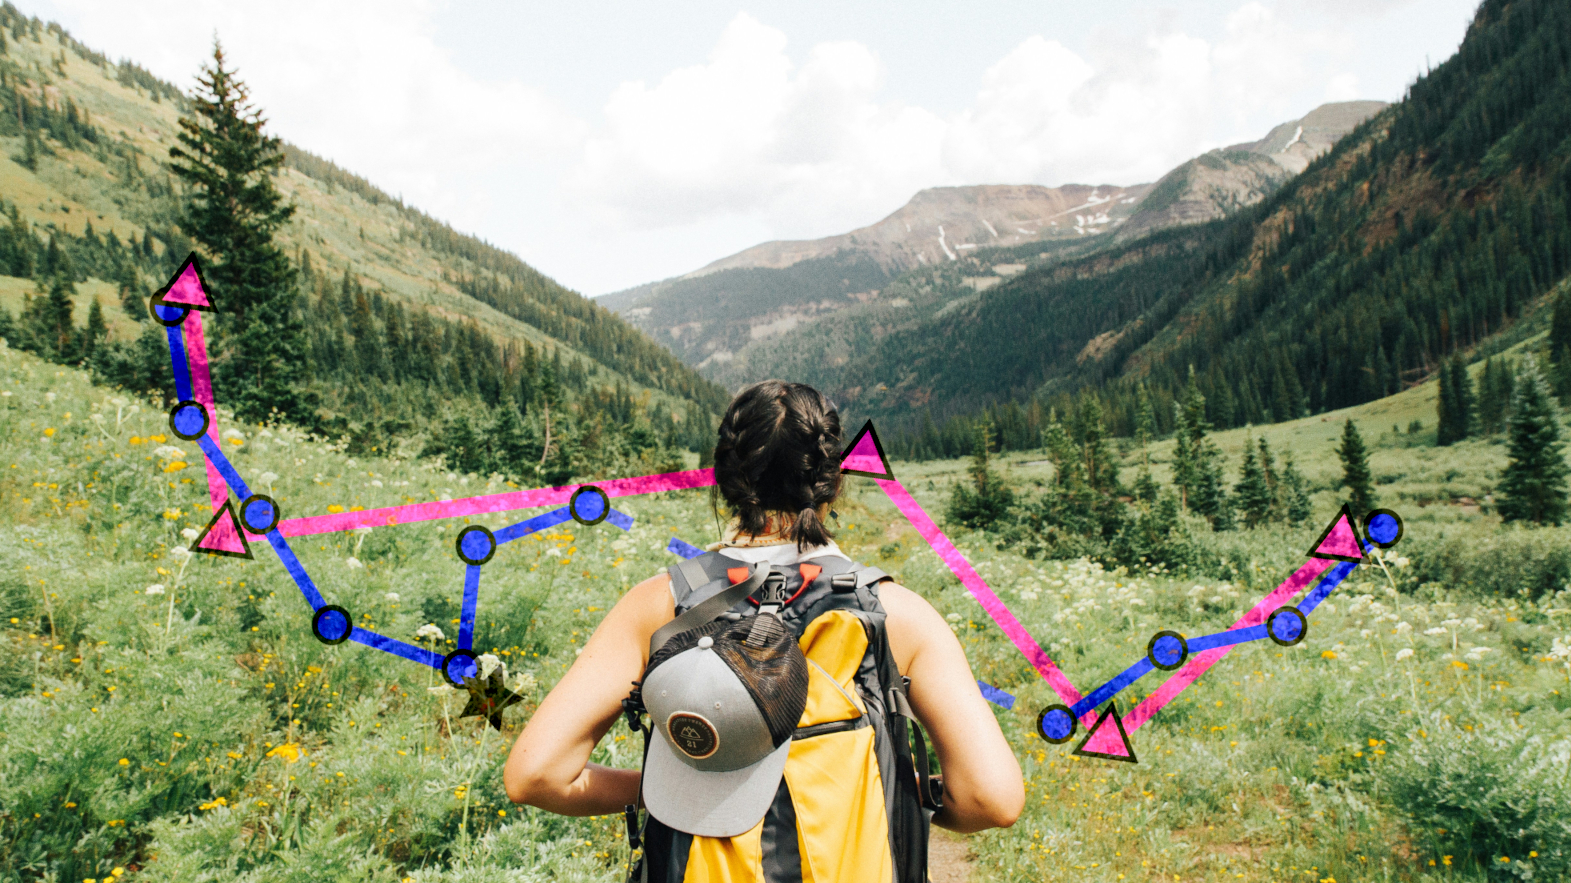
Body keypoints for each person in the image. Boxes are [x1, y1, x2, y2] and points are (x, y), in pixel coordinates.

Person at [504, 380, 1023, 880]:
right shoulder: (897, 613)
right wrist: (901, 796)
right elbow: (991, 799)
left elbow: (537, 775)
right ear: (833, 480)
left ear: (725, 480)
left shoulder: (659, 604)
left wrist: (667, 788)